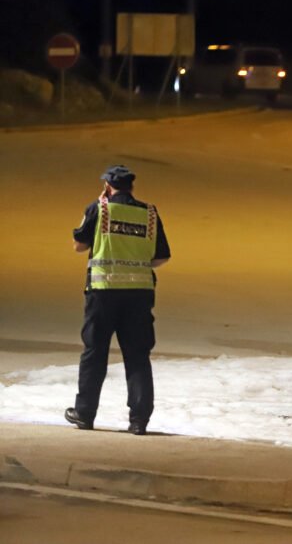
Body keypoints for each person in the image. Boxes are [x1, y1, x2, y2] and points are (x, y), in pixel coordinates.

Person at [64, 165, 171, 435]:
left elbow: (79, 245)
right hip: (139, 295)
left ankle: (85, 414)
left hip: (103, 293)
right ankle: (139, 421)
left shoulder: (99, 209)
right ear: (131, 187)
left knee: (94, 352)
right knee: (137, 356)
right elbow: (162, 257)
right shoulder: (149, 214)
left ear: (108, 186)